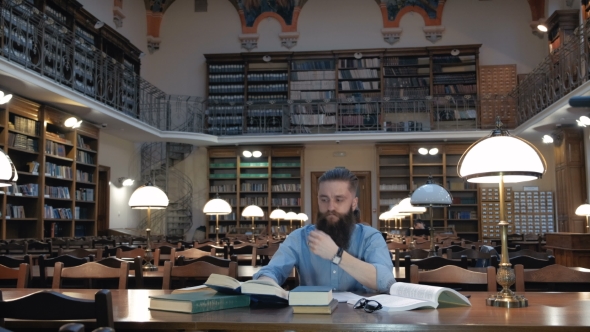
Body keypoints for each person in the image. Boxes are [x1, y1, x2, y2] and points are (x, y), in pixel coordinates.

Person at [253, 168, 395, 293]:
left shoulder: (370, 237)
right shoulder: (299, 237)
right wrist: (266, 282)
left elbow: (386, 281)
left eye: (339, 200)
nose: (330, 207)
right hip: (313, 318)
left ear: (353, 203)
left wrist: (336, 255)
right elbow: (272, 270)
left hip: (361, 317)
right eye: (324, 199)